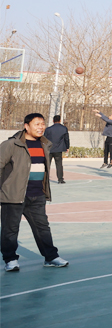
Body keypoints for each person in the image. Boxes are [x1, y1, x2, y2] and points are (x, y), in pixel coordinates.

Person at [1, 114, 69, 272]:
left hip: (37, 194)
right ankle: (10, 259)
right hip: (14, 195)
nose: (41, 127)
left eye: (43, 124)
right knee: (10, 229)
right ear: (26, 126)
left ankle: (51, 257)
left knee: (42, 228)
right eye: (37, 124)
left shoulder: (44, 144)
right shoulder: (11, 144)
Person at [43, 115, 69, 184]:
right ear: (60, 120)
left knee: (47, 164)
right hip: (58, 149)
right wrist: (67, 147)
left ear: (53, 120)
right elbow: (66, 138)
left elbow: (44, 139)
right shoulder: (64, 129)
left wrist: (43, 147)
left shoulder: (48, 129)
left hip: (49, 149)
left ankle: (45, 179)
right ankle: (60, 179)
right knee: (59, 165)